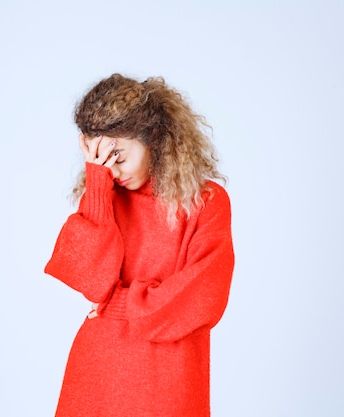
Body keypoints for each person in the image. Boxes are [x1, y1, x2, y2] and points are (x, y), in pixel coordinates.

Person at [44, 73, 234, 417]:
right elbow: (91, 282)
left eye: (118, 156)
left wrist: (117, 305)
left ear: (155, 138)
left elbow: (203, 297)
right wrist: (97, 185)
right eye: (101, 160)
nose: (113, 171)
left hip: (169, 377)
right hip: (98, 373)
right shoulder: (106, 196)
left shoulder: (206, 202)